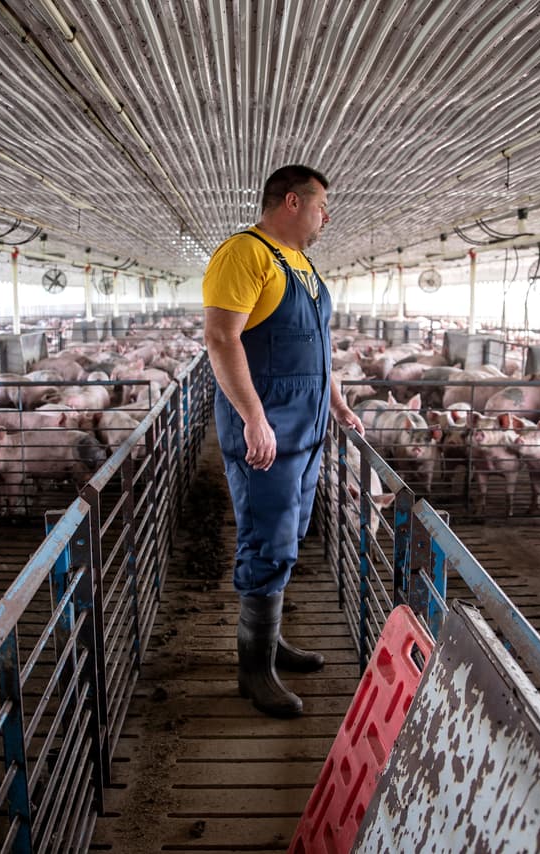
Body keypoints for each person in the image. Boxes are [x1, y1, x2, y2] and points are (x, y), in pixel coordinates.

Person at [202, 165, 364, 718]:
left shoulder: (301, 265)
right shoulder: (243, 254)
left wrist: (337, 401)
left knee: (290, 533)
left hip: (307, 427)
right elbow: (221, 339)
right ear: (292, 202)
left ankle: (272, 641)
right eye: (322, 206)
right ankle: (254, 670)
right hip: (266, 432)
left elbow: (315, 345)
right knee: (267, 538)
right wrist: (252, 416)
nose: (327, 216)